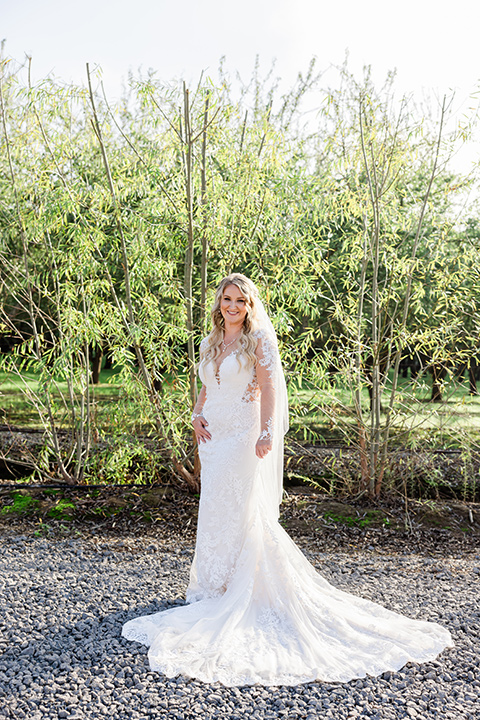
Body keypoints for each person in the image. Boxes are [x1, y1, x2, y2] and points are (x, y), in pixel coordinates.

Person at [122, 273, 452, 686]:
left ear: (250, 304)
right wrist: (196, 413)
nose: (232, 306)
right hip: (214, 438)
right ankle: (217, 585)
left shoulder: (258, 340)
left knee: (244, 509)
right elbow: (205, 385)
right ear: (218, 302)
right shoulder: (209, 341)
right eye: (227, 299)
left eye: (240, 300)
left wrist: (265, 432)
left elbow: (269, 388)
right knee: (216, 508)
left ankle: (248, 588)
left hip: (243, 438)